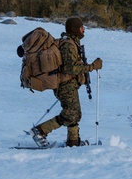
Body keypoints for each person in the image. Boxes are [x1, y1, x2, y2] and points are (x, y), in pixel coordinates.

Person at [30, 17, 102, 147]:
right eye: (81, 28)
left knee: (75, 113)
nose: (83, 30)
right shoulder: (68, 44)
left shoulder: (71, 42)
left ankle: (73, 142)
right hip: (65, 85)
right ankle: (40, 131)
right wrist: (92, 67)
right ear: (75, 29)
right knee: (70, 114)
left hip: (69, 84)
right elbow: (71, 68)